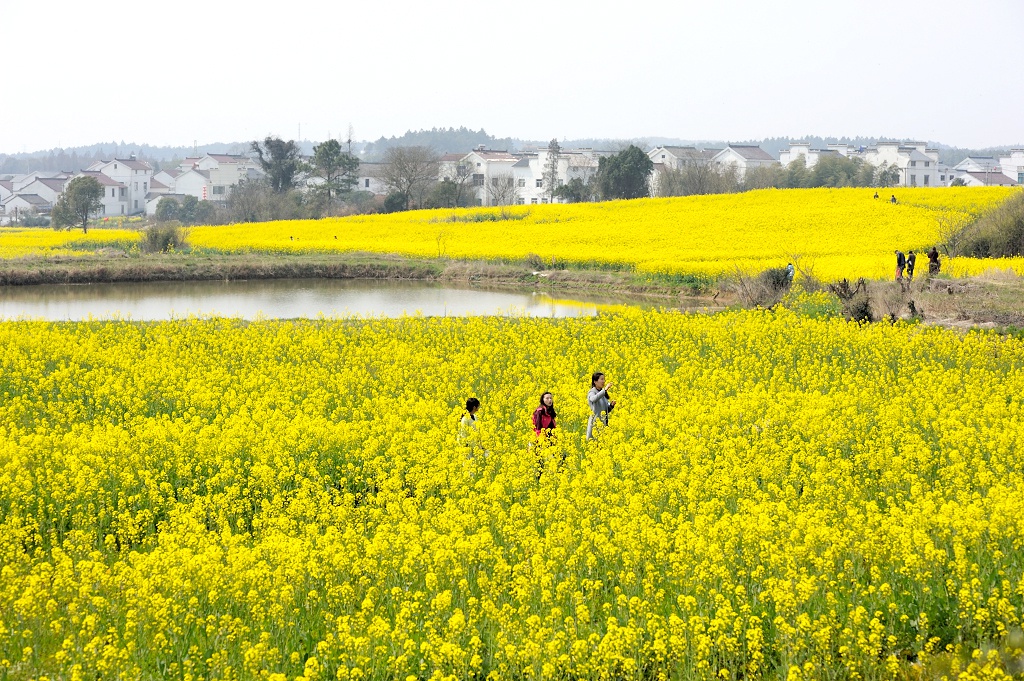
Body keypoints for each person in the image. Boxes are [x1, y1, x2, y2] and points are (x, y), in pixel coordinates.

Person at [587, 372, 616, 440]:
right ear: (595, 381)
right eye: (601, 379)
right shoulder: (592, 392)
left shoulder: (603, 394)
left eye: (604, 379)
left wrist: (611, 406)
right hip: (595, 425)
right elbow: (593, 399)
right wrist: (605, 390)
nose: (604, 381)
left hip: (603, 424)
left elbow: (605, 410)